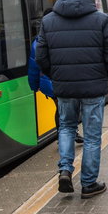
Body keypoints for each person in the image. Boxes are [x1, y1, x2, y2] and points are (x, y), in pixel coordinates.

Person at [36, 0, 108, 198]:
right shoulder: (101, 20)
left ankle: (65, 169)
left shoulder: (48, 20)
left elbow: (41, 57)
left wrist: (56, 76)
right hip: (93, 88)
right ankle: (88, 183)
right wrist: (104, 75)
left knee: (66, 127)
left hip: (64, 88)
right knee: (92, 137)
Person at [28, 8, 83, 145]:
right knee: (63, 110)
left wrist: (35, 85)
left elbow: (34, 67)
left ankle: (66, 134)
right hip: (59, 82)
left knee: (61, 108)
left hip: (49, 83)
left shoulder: (38, 41)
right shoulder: (61, 37)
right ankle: (65, 136)